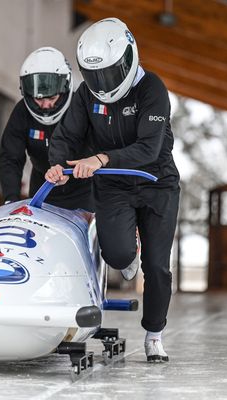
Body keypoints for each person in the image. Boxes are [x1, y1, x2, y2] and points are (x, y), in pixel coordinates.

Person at [45, 18, 180, 362]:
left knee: (157, 266)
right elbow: (66, 136)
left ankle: (154, 334)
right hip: (115, 186)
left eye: (108, 74)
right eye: (96, 77)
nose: (102, 84)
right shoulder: (85, 95)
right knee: (117, 255)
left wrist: (101, 158)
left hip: (156, 184)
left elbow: (149, 149)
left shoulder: (152, 89)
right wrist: (58, 166)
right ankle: (127, 248)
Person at [0, 47, 93, 211]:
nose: (46, 105)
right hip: (42, 192)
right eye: (38, 99)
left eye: (52, 97)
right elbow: (10, 158)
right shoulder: (22, 112)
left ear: (64, 88)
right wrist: (11, 200)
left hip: (86, 193)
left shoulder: (81, 107)